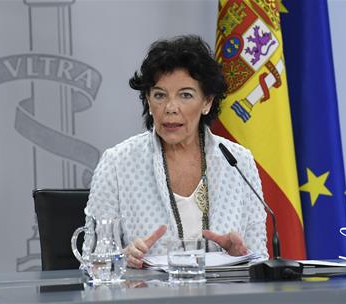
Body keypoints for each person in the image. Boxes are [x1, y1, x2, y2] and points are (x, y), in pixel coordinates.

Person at [84, 35, 267, 269]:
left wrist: (239, 257)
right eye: (160, 95)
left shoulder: (238, 161)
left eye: (186, 95)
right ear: (148, 102)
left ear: (207, 102)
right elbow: (92, 262)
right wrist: (123, 259)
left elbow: (260, 259)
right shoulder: (117, 163)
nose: (170, 108)